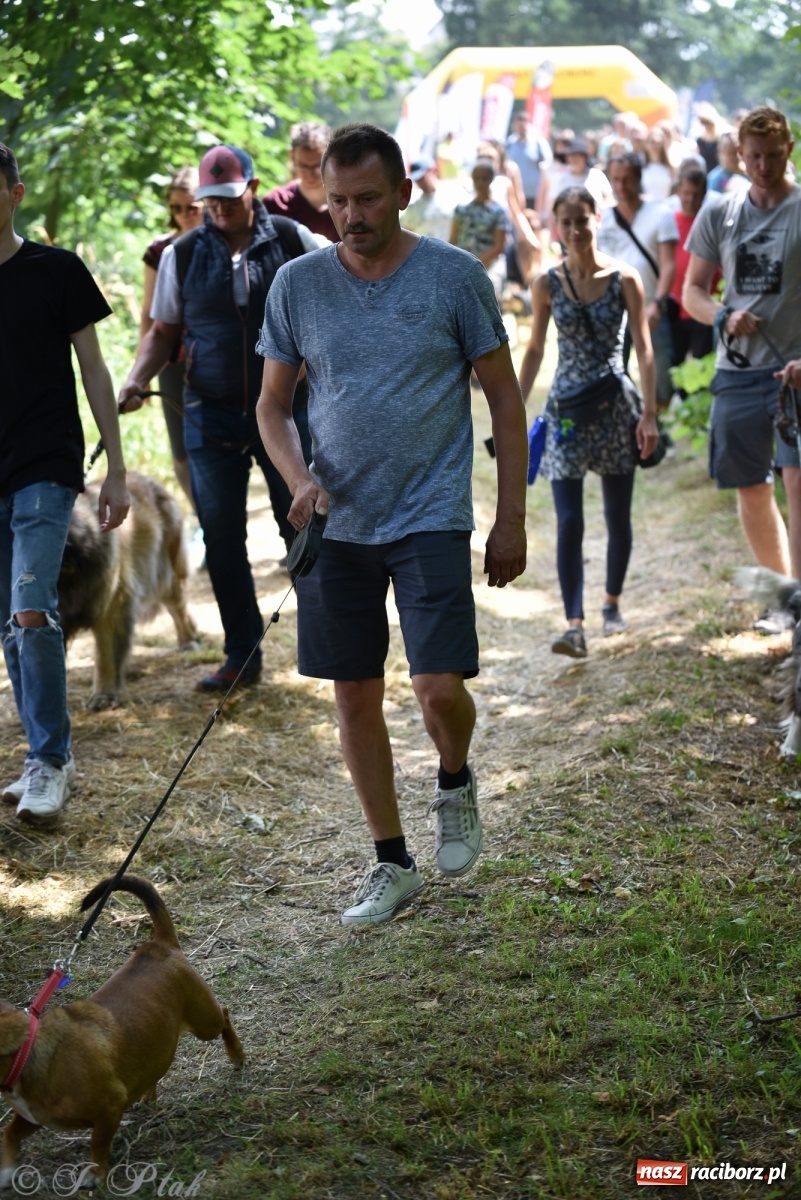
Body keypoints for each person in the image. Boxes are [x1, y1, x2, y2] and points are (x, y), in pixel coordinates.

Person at [255, 122, 528, 926]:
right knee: (353, 695)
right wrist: (298, 478)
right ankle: (390, 861)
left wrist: (509, 518)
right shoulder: (298, 284)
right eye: (337, 200)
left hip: (429, 512)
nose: (351, 215)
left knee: (438, 690)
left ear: (404, 192)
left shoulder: (453, 277)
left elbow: (504, 399)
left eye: (368, 199)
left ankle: (454, 779)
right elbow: (271, 406)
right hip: (336, 524)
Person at [119, 144, 317, 693]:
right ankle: (241, 656)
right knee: (224, 539)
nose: (219, 208)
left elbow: (339, 300)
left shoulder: (294, 240)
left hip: (286, 414)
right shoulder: (181, 254)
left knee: (303, 525)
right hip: (208, 414)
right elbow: (162, 331)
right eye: (210, 199)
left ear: (252, 188)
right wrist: (135, 378)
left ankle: (328, 641)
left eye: (229, 197)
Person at [0, 142, 130, 819]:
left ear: (15, 194)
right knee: (9, 621)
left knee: (32, 607)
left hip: (45, 465)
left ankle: (51, 761)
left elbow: (95, 369)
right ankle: (40, 757)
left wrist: (116, 468)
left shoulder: (56, 270)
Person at [518, 186, 658, 659]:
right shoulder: (546, 283)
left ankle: (612, 604)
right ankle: (574, 625)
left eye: (583, 219)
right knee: (569, 519)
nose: (575, 230)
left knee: (617, 514)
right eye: (567, 222)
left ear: (597, 219)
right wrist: (514, 407)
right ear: (556, 226)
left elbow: (644, 349)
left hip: (616, 409)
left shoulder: (625, 279)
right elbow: (535, 348)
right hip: (567, 415)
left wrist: (650, 415)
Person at [683, 107, 801, 601]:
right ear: (739, 155)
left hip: (794, 371)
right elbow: (692, 291)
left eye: (774, 155)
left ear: (789, 150)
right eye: (754, 157)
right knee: (751, 485)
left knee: (797, 481)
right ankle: (785, 598)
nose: (764, 166)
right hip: (738, 370)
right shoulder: (720, 211)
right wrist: (723, 316)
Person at [139, 166, 203, 553]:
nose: (183, 215)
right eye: (176, 209)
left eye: (191, 207)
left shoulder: (224, 243)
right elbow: (149, 314)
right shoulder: (159, 251)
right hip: (173, 361)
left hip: (217, 358)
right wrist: (141, 371)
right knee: (181, 452)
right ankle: (207, 519)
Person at [597, 152, 678, 414]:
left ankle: (659, 419)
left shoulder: (660, 214)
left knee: (661, 370)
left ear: (639, 178)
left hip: (650, 308)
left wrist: (658, 303)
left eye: (627, 179)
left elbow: (668, 264)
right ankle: (627, 417)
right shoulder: (603, 219)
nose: (621, 186)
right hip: (612, 309)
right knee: (614, 370)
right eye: (616, 179)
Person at [665, 166, 718, 367]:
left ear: (704, 196)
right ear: (678, 192)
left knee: (702, 365)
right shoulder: (669, 222)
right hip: (675, 307)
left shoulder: (711, 223)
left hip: (703, 305)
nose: (690, 199)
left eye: (696, 195)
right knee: (675, 365)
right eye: (686, 193)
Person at [263, 121, 338, 242]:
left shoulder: (347, 203)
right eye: (303, 166)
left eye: (318, 166)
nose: (310, 174)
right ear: (292, 157)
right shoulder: (276, 203)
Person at [449, 157, 511, 297]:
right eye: (477, 178)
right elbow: (452, 240)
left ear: (491, 179)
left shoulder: (498, 211)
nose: (480, 183)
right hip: (462, 265)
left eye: (484, 178)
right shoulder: (462, 209)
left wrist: (474, 264)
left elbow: (499, 246)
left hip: (489, 266)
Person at [401, 155, 463, 241]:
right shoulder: (414, 204)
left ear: (432, 171)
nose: (420, 182)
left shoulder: (454, 192)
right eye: (417, 179)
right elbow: (406, 230)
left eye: (422, 177)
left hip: (452, 246)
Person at [505, 113, 552, 211]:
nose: (521, 127)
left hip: (534, 193)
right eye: (518, 124)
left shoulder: (538, 142)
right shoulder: (510, 143)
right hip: (514, 192)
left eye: (523, 123)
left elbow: (547, 162)